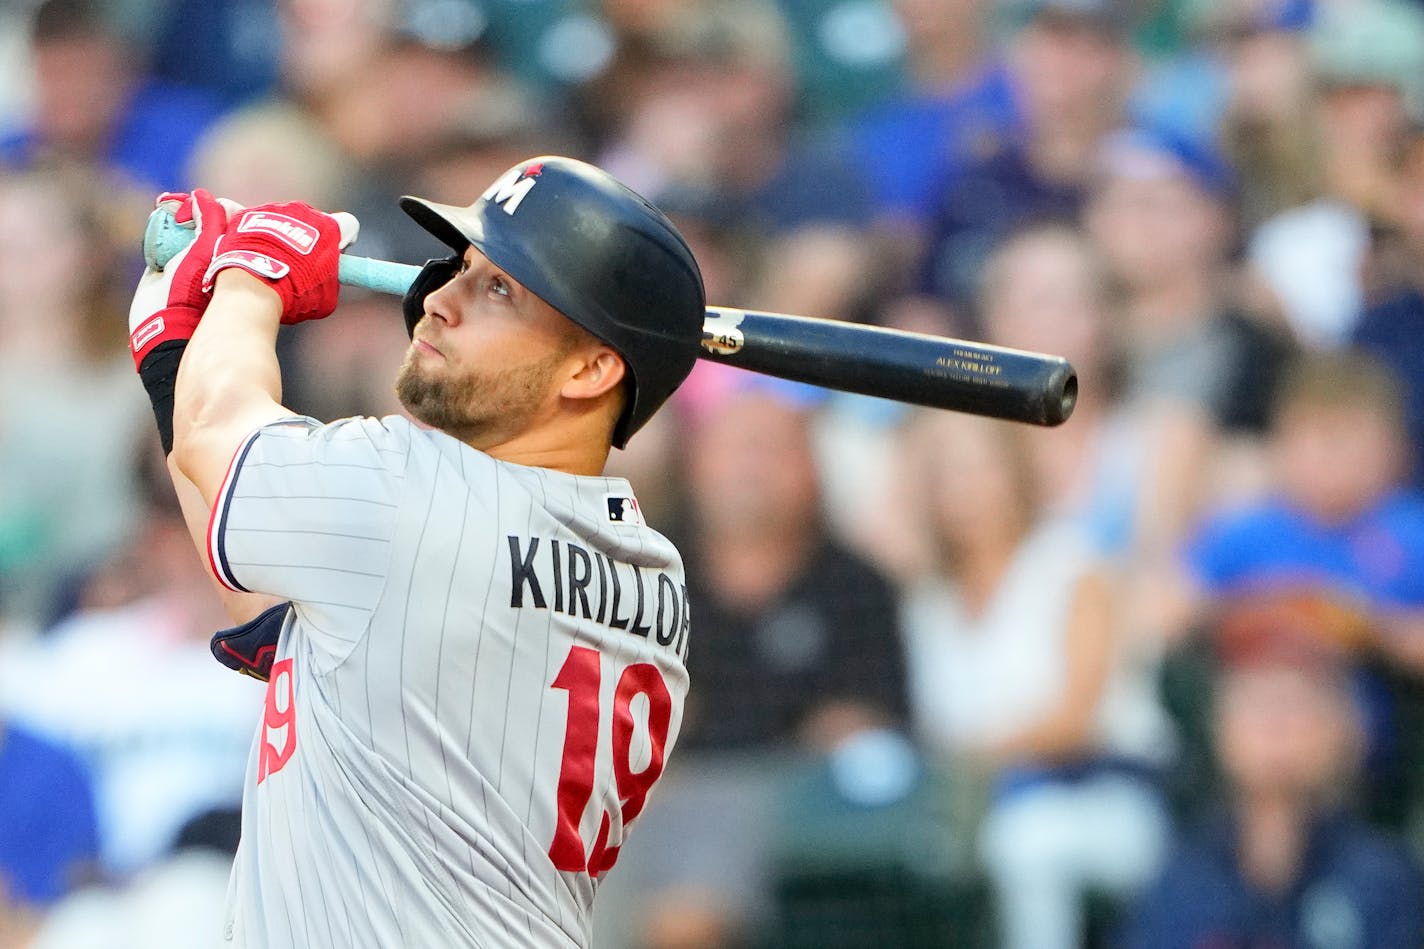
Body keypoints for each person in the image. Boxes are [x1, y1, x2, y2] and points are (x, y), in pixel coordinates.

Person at [125, 155, 706, 946]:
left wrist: (249, 278)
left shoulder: (415, 496)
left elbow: (214, 429)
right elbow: (290, 627)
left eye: (499, 289)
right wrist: (172, 363)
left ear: (593, 367)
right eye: (463, 269)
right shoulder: (650, 567)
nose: (438, 300)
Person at [1121, 617, 1424, 948]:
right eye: (1257, 704)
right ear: (1220, 729)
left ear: (1342, 730)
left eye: (1296, 705)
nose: (1275, 727)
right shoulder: (1179, 876)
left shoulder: (1384, 881)